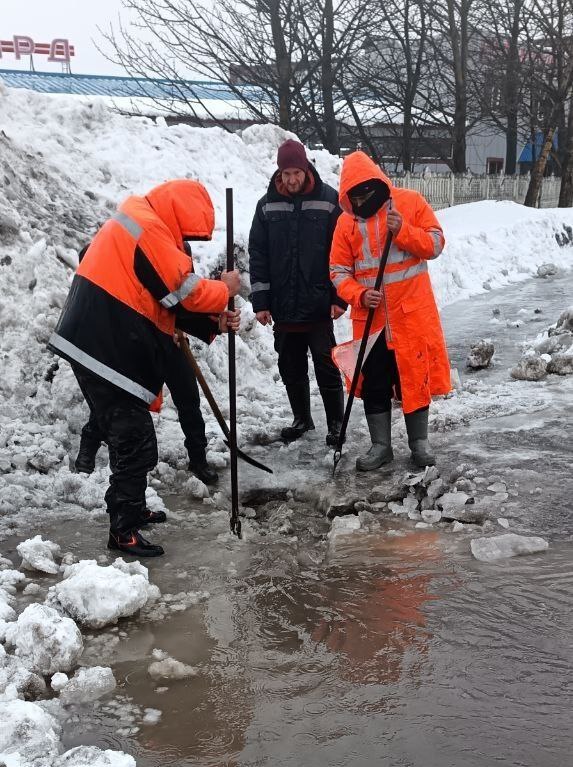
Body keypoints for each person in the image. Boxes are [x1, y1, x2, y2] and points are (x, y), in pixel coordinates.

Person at [49, 179, 240, 557]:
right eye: (187, 232)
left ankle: (131, 509)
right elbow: (180, 291)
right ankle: (123, 531)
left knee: (130, 438)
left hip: (100, 345)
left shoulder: (138, 219)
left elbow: (160, 300)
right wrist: (224, 289)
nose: (185, 240)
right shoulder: (149, 228)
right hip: (104, 348)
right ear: (180, 214)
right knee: (135, 443)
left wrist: (213, 323)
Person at [330, 151, 451, 470]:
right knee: (374, 382)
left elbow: (436, 244)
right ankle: (380, 446)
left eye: (364, 194)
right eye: (353, 197)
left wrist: (405, 232)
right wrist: (358, 294)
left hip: (411, 314)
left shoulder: (409, 203)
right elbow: (338, 271)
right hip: (370, 321)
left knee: (414, 376)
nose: (360, 202)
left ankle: (419, 444)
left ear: (377, 184)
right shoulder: (345, 223)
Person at [74, 245, 223, 487]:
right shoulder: (132, 242)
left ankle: (198, 458)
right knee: (122, 403)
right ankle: (87, 451)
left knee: (189, 399)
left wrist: (183, 325)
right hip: (137, 341)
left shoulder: (181, 247)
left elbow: (184, 298)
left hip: (171, 340)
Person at [248, 139, 346, 445]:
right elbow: (258, 254)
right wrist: (261, 301)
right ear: (280, 172)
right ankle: (302, 419)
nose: (292, 179)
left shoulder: (330, 200)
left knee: (326, 365)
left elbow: (344, 251)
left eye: (296, 173)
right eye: (286, 173)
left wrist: (340, 296)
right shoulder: (266, 205)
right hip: (283, 304)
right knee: (290, 366)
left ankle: (335, 424)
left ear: (306, 169)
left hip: (318, 303)